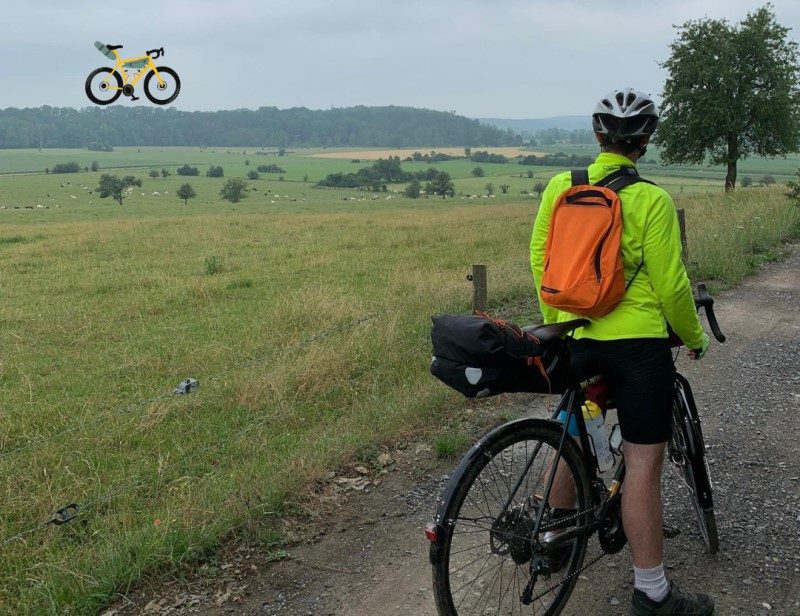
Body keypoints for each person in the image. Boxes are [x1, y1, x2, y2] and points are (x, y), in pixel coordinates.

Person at [530, 88, 713, 616]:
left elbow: (541, 260)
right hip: (636, 348)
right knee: (642, 464)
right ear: (645, 141)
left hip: (575, 337)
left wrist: (561, 322)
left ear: (597, 136)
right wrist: (694, 338)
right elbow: (672, 287)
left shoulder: (561, 187)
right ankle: (652, 592)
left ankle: (554, 540)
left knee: (571, 428)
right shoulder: (651, 199)